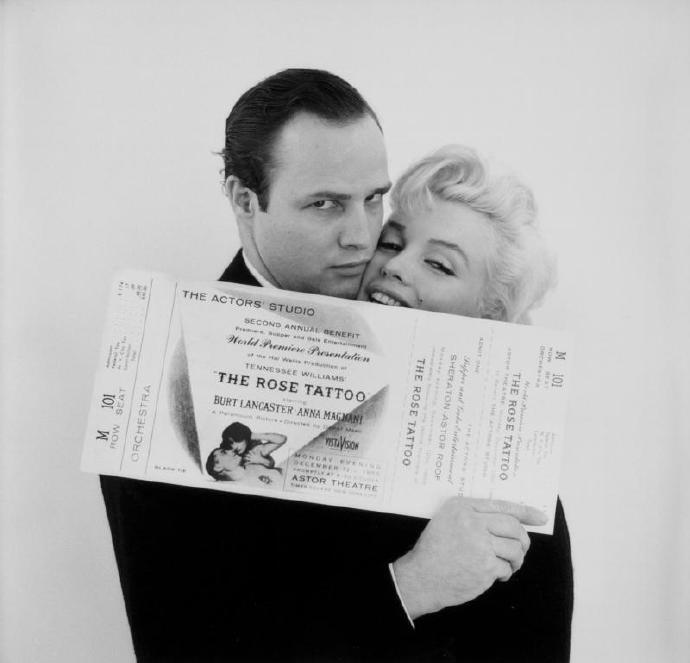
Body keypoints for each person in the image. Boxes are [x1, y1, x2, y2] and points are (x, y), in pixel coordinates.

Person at [100, 69, 572, 662]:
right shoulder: (161, 368)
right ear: (245, 200)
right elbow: (183, 644)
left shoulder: (490, 410)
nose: (362, 239)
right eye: (324, 204)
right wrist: (410, 587)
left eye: (374, 200)